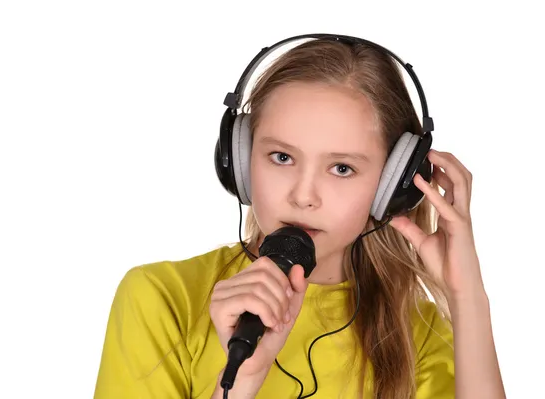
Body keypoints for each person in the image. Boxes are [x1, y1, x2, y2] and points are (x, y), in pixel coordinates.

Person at [93, 34, 506, 399]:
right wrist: (239, 385)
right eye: (282, 157)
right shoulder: (161, 298)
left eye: (341, 168)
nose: (303, 196)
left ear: (392, 187)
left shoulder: (418, 334)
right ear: (240, 160)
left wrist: (468, 299)